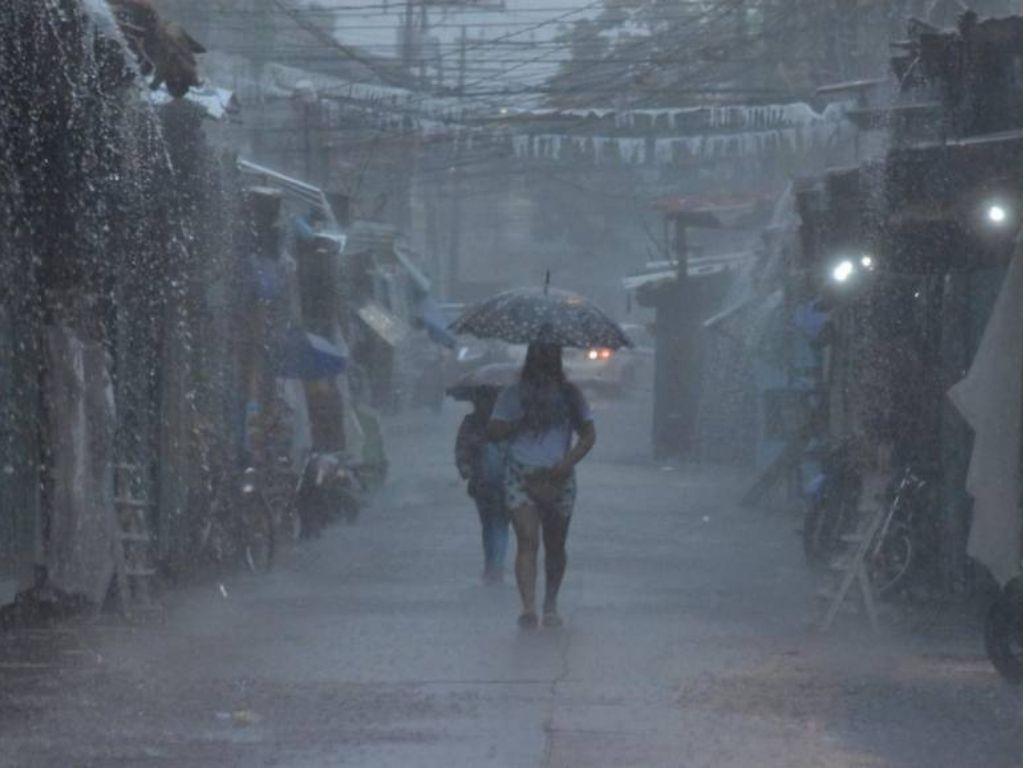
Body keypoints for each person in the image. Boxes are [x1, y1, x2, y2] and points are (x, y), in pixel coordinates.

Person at [488, 342, 597, 628]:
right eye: (539, 361)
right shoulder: (513, 395)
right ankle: (528, 607)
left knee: (555, 543)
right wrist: (521, 419)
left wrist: (569, 460)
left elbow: (588, 434)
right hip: (520, 475)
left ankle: (550, 603)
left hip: (559, 475)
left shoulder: (571, 396)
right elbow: (494, 430)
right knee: (527, 539)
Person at [456, 387, 510, 583]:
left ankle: (495, 566)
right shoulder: (472, 423)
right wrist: (466, 469)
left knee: (497, 524)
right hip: (484, 484)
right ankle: (492, 564)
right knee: (491, 524)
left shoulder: (505, 422)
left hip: (502, 483)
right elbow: (462, 450)